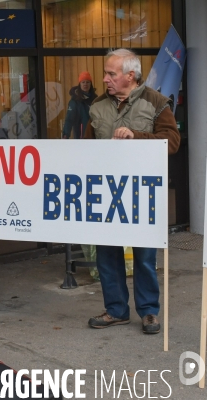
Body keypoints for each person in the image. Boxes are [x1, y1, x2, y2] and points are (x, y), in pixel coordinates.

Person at [84, 49, 180, 334]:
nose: (105, 79)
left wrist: (136, 136)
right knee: (107, 255)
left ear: (131, 76)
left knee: (144, 257)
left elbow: (172, 142)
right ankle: (116, 311)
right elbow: (85, 148)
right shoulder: (98, 106)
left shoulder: (157, 103)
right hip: (105, 193)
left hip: (142, 194)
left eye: (111, 74)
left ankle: (149, 312)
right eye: (105, 73)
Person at [62, 71, 97, 139]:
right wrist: (65, 135)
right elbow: (69, 119)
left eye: (87, 82)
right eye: (83, 82)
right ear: (80, 84)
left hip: (94, 135)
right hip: (81, 136)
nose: (85, 84)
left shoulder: (95, 99)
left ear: (90, 84)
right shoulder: (75, 101)